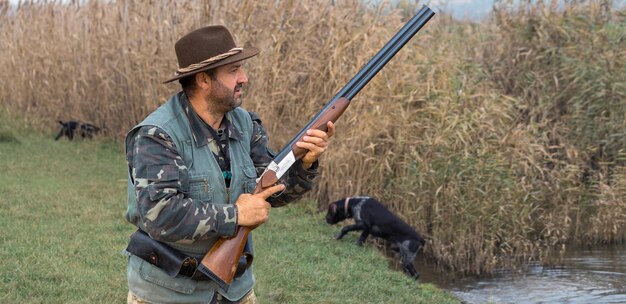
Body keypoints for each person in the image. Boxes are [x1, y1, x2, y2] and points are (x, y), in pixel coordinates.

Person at [123, 25, 335, 304]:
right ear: (203, 80)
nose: (244, 78)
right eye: (234, 70)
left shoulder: (245, 124)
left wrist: (305, 163)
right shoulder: (157, 135)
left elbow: (275, 191)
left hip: (235, 290)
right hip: (167, 293)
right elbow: (161, 216)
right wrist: (235, 215)